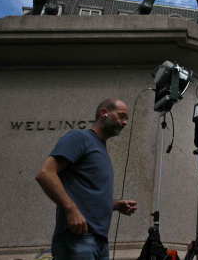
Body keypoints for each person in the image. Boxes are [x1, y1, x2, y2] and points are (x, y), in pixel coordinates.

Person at [35, 98, 138, 260]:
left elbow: (88, 197)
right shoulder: (80, 137)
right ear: (104, 113)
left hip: (100, 243)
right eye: (121, 116)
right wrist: (71, 210)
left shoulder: (100, 148)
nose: (125, 122)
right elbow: (45, 173)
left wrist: (116, 205)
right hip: (77, 239)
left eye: (126, 119)